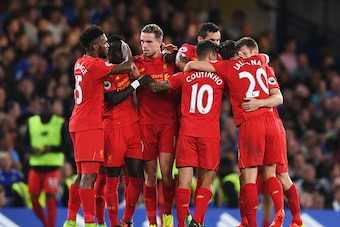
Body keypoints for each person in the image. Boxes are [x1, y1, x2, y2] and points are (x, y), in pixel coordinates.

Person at [184, 37, 285, 227]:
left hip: (250, 123)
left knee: (248, 177)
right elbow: (265, 57)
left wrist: (188, 65)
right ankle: (282, 212)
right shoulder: (261, 61)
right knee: (272, 173)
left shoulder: (226, 67)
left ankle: (250, 224)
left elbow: (195, 66)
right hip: (272, 121)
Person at [146, 39, 226, 227]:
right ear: (213, 56)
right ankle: (197, 221)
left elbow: (157, 88)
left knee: (183, 182)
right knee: (207, 180)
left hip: (187, 133)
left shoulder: (184, 76)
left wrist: (144, 79)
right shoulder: (222, 75)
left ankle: (181, 224)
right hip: (209, 134)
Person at [63, 25, 133, 227]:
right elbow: (127, 68)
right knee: (89, 176)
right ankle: (89, 222)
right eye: (103, 42)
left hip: (77, 122)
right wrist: (127, 50)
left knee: (81, 175)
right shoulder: (95, 65)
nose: (107, 46)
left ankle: (69, 220)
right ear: (95, 46)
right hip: (89, 125)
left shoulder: (80, 62)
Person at [235, 38, 304, 227]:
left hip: (257, 126)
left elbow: (279, 97)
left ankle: (252, 222)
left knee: (256, 175)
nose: (240, 57)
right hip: (273, 125)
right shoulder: (266, 67)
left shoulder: (253, 68)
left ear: (252, 52)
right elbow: (278, 96)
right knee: (274, 174)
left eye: (243, 53)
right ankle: (291, 218)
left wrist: (257, 103)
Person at [100, 35, 152, 227]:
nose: (115, 54)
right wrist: (137, 84)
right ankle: (113, 223)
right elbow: (113, 99)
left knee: (136, 178)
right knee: (112, 180)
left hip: (133, 128)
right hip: (113, 129)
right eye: (112, 51)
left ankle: (127, 220)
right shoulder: (104, 72)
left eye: (119, 51)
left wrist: (129, 57)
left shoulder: (126, 68)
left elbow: (138, 75)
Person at [133, 23, 178, 227]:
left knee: (167, 174)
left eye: (149, 42)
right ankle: (152, 222)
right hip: (145, 125)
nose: (144, 45)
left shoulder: (172, 61)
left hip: (169, 124)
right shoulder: (135, 64)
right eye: (142, 41)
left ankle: (167, 215)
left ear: (160, 42)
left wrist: (174, 51)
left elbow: (189, 57)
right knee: (150, 176)